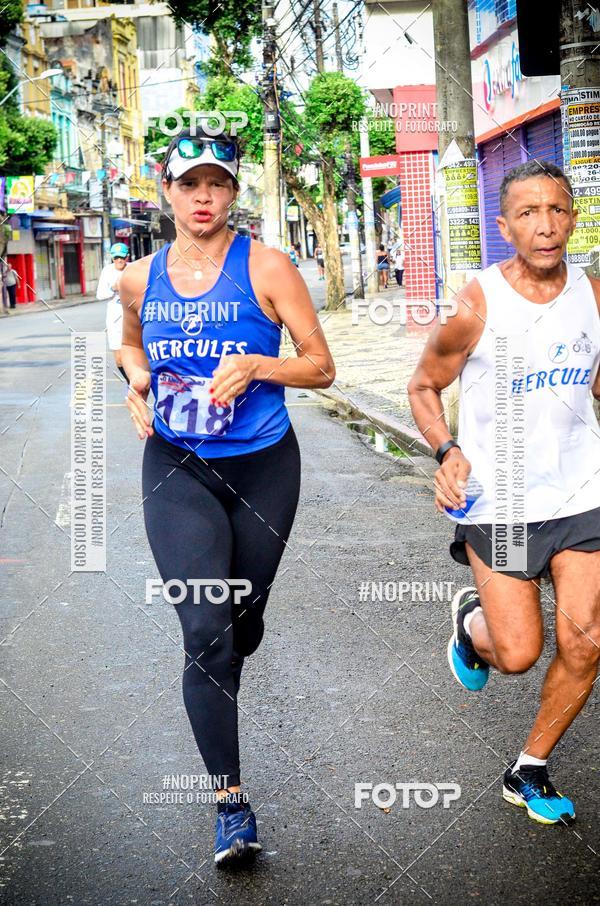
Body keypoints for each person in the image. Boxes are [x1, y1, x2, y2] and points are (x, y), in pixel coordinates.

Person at [118, 125, 336, 865]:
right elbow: (124, 341)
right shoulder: (138, 278)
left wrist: (255, 363)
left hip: (264, 466)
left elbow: (321, 366)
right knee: (206, 635)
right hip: (175, 465)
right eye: (188, 184)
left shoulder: (268, 267)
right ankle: (231, 807)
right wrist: (135, 379)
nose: (202, 197)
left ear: (234, 192)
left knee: (241, 620)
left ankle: (246, 620)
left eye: (216, 184)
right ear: (167, 191)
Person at [408, 159, 600, 827]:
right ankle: (471, 627)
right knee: (517, 653)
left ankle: (530, 768)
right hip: (502, 504)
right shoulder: (477, 303)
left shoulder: (594, 295)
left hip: (582, 499)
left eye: (557, 210)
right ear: (504, 227)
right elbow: (422, 387)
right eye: (527, 213)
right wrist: (447, 450)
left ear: (573, 218)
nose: (545, 225)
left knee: (586, 641)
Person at [97, 242, 130, 382]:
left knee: (135, 354)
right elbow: (100, 295)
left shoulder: (134, 269)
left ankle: (134, 384)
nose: (119, 260)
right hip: (114, 318)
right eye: (116, 258)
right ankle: (130, 382)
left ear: (127, 257)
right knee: (119, 360)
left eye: (122, 257)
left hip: (132, 317)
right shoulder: (107, 271)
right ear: (112, 258)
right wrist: (113, 288)